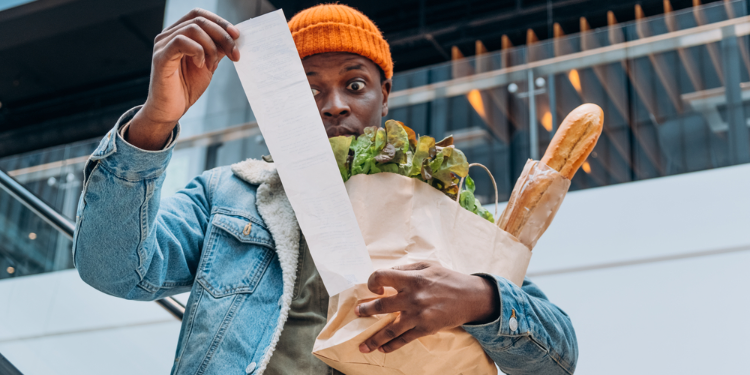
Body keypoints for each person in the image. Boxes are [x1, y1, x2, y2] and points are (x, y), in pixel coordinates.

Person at [73, 4, 577, 375]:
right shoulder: (228, 192)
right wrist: (156, 119)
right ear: (280, 100)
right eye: (309, 87)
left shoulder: (438, 202)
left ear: (385, 98)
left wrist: (481, 298)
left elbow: (558, 357)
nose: (334, 104)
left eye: (355, 85)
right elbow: (114, 270)